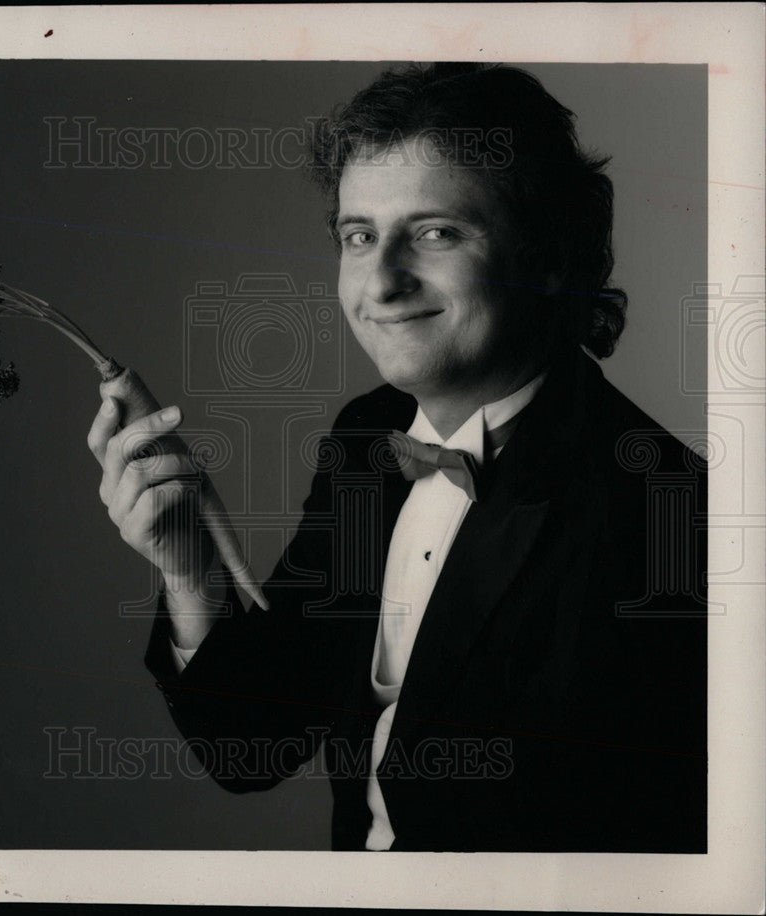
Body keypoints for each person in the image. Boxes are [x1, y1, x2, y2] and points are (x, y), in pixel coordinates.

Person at [87, 63, 707, 852]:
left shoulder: (670, 512)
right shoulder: (366, 439)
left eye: (435, 232)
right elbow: (253, 742)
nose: (380, 281)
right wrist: (186, 565)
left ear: (550, 254)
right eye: (359, 236)